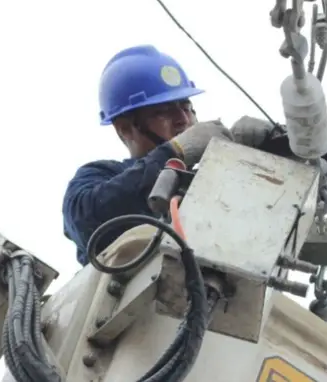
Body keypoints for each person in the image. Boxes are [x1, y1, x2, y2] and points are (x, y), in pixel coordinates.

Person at [62, 44, 277, 265]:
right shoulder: (100, 175)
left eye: (186, 107)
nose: (182, 119)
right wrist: (175, 153)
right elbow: (87, 222)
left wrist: (258, 157)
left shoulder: (210, 180)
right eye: (163, 111)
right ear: (125, 128)